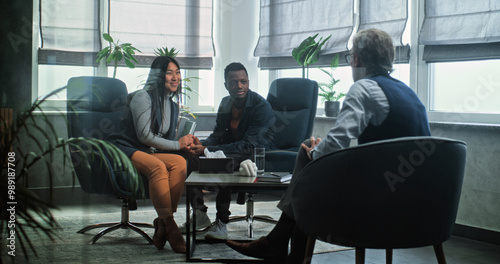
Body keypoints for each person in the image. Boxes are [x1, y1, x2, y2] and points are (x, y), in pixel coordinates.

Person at [225, 28, 431, 263]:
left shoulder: (364, 88)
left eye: (350, 56)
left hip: (379, 198)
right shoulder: (408, 92)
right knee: (308, 169)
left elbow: (338, 142)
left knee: (305, 159)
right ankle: (282, 247)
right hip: (421, 202)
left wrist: (315, 151)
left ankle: (281, 245)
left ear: (356, 59)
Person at [179, 62, 276, 240]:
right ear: (226, 85)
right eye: (233, 82)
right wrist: (199, 145)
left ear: (248, 82)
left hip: (256, 152)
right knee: (189, 156)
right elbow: (218, 136)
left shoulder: (261, 106)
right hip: (233, 150)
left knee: (223, 161)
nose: (239, 85)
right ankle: (199, 213)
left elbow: (249, 145)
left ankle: (222, 223)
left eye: (243, 81)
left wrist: (208, 149)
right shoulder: (225, 103)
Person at [108, 56, 195, 253]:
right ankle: (171, 227)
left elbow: (163, 142)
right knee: (157, 167)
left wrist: (184, 144)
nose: (175, 78)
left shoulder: (172, 106)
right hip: (124, 148)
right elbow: (145, 135)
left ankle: (162, 223)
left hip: (146, 151)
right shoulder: (142, 97)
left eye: (178, 72)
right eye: (169, 73)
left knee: (179, 163)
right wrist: (176, 144)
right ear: (158, 75)